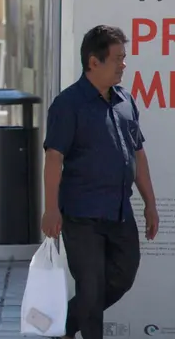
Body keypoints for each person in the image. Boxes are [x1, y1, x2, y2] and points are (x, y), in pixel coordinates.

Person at [41, 25, 158, 339]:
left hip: (120, 212)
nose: (123, 64)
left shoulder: (124, 100)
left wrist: (150, 203)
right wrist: (51, 209)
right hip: (82, 214)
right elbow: (54, 158)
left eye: (124, 57)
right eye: (117, 58)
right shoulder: (68, 104)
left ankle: (64, 324)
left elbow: (138, 153)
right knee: (90, 289)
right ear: (94, 62)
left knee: (123, 277)